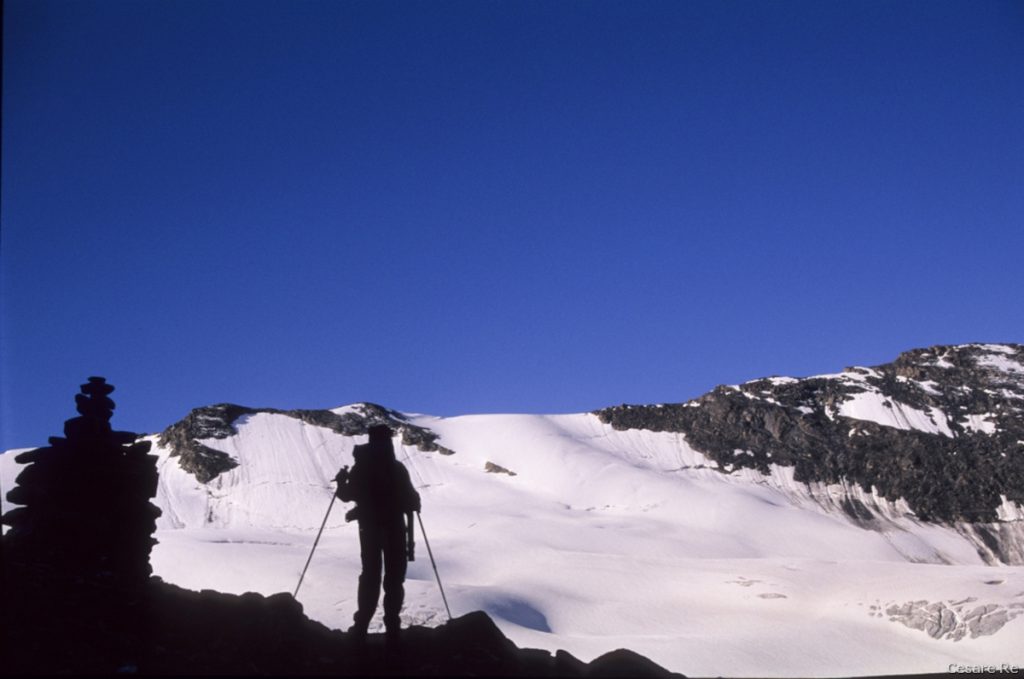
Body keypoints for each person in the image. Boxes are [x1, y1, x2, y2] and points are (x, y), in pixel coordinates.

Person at [335, 424, 421, 640]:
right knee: (394, 578)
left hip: (369, 528)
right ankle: (392, 626)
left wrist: (340, 482)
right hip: (395, 528)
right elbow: (412, 500)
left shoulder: (361, 467)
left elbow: (347, 495)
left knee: (370, 575)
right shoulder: (397, 468)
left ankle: (361, 626)